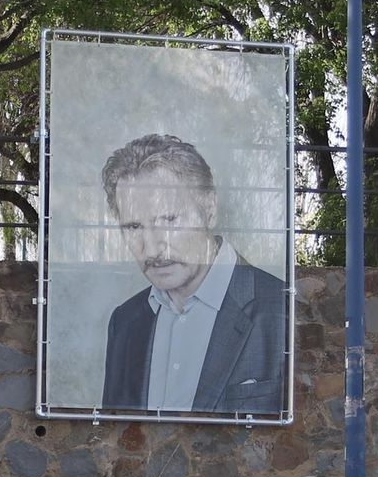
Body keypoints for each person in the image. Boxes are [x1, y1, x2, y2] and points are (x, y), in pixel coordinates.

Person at [98, 133, 287, 416]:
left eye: (169, 219)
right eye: (134, 227)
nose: (152, 247)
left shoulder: (283, 312)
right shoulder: (125, 323)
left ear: (209, 210)